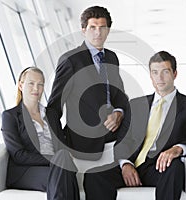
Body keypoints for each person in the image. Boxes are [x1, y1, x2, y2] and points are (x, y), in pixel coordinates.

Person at [84, 51, 186, 200]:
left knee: (175, 168)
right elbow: (123, 141)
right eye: (155, 72)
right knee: (94, 176)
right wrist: (125, 164)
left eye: (165, 72)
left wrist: (177, 149)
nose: (160, 78)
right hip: (134, 164)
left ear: (175, 74)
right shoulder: (136, 105)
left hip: (161, 168)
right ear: (150, 76)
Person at [46, 6, 128, 160]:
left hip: (114, 132)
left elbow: (120, 96)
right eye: (92, 27)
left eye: (102, 27)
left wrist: (119, 112)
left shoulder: (112, 58)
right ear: (83, 30)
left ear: (108, 30)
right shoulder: (70, 60)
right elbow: (54, 107)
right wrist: (59, 146)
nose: (98, 32)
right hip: (84, 141)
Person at [1, 67, 79, 200]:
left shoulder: (51, 115)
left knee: (63, 166)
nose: (36, 88)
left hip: (57, 166)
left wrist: (59, 159)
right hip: (26, 170)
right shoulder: (10, 116)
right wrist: (54, 159)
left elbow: (61, 145)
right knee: (64, 172)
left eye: (40, 84)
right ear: (21, 85)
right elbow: (18, 155)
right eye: (31, 83)